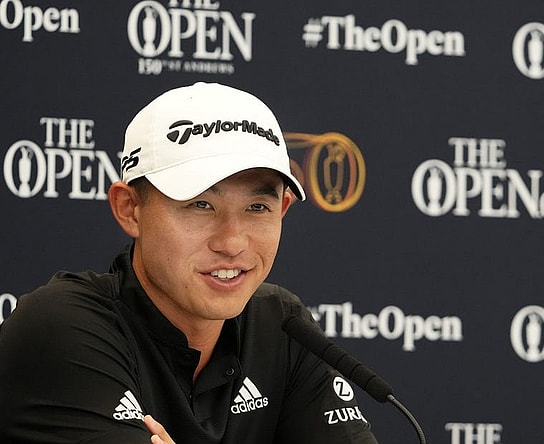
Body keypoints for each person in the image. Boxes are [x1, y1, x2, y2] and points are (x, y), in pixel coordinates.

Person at [0, 82, 379, 444]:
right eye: (200, 205)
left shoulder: (282, 326)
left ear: (283, 210)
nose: (232, 243)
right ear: (129, 209)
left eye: (257, 207)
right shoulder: (61, 326)